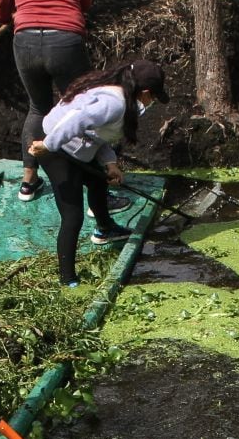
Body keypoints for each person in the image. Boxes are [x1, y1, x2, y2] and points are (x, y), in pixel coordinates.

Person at [28, 60, 168, 286]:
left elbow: (97, 136)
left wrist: (110, 164)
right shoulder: (114, 102)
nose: (151, 103)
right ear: (144, 93)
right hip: (54, 148)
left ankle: (105, 229)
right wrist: (48, 145)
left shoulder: (123, 99)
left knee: (97, 181)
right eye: (153, 98)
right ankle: (67, 279)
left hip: (75, 147)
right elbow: (76, 119)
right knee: (73, 216)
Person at [0, 0, 93, 201]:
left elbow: (1, 9)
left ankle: (29, 182)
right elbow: (85, 1)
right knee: (78, 108)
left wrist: (13, 16)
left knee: (38, 107)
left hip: (24, 42)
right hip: (65, 41)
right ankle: (91, 192)